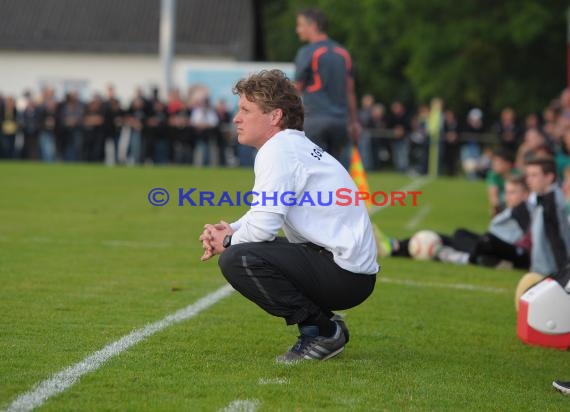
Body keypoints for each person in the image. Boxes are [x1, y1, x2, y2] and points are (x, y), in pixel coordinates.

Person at [199, 70, 378, 363]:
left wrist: (228, 242)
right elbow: (266, 211)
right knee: (242, 251)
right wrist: (231, 229)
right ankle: (325, 325)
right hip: (347, 270)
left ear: (275, 116)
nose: (236, 118)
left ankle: (321, 331)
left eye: (245, 110)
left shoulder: (279, 151)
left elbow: (262, 229)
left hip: (346, 275)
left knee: (237, 259)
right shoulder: (290, 146)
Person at [294, 8, 360, 163]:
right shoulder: (343, 53)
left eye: (300, 25)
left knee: (314, 171)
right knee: (337, 171)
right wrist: (354, 122)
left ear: (314, 26)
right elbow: (350, 91)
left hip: (315, 121)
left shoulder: (307, 52)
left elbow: (297, 87)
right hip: (340, 123)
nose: (298, 30)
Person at [525, 157, 570, 276]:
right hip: (543, 270)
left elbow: (557, 238)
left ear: (549, 177)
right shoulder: (544, 198)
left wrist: (562, 272)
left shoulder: (552, 201)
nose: (529, 180)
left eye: (534, 175)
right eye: (528, 175)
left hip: (550, 272)